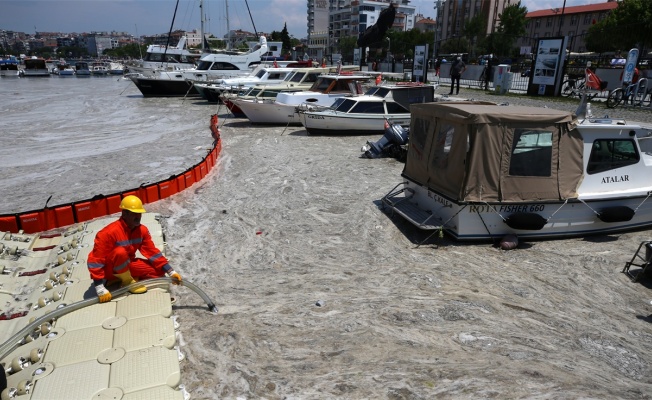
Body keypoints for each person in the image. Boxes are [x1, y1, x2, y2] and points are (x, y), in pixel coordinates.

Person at [87, 195, 182, 303]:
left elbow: (152, 252)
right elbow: (95, 261)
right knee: (120, 252)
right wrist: (99, 287)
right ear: (125, 213)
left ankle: (122, 278)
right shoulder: (108, 233)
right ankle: (127, 281)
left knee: (158, 272)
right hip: (109, 270)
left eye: (139, 213)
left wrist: (170, 271)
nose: (138, 217)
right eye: (134, 213)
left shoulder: (142, 231)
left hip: (127, 264)